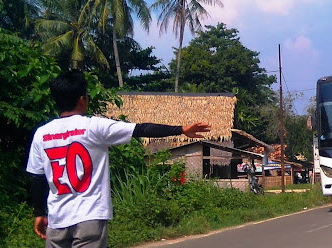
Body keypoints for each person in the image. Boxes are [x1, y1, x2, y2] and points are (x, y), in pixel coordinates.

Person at [26, 70, 210, 247]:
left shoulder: (41, 134)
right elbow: (141, 129)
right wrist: (181, 130)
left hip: (57, 220)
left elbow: (37, 178)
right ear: (82, 100)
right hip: (89, 217)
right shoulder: (93, 126)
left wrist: (39, 212)